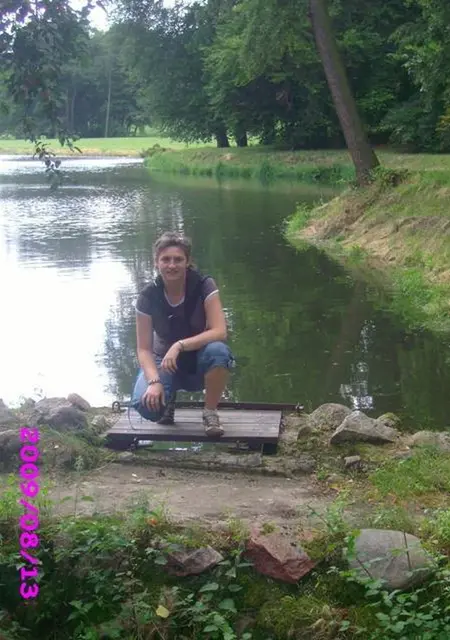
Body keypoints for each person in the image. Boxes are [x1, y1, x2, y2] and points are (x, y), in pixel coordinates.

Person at [131, 232, 234, 436]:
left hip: (199, 359)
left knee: (219, 352)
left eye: (178, 259)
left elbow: (220, 331)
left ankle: (210, 412)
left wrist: (179, 345)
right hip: (164, 362)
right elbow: (144, 350)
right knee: (146, 406)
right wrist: (154, 381)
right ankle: (167, 400)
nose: (172, 265)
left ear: (188, 262)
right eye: (165, 259)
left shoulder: (204, 285)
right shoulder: (147, 296)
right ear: (156, 263)